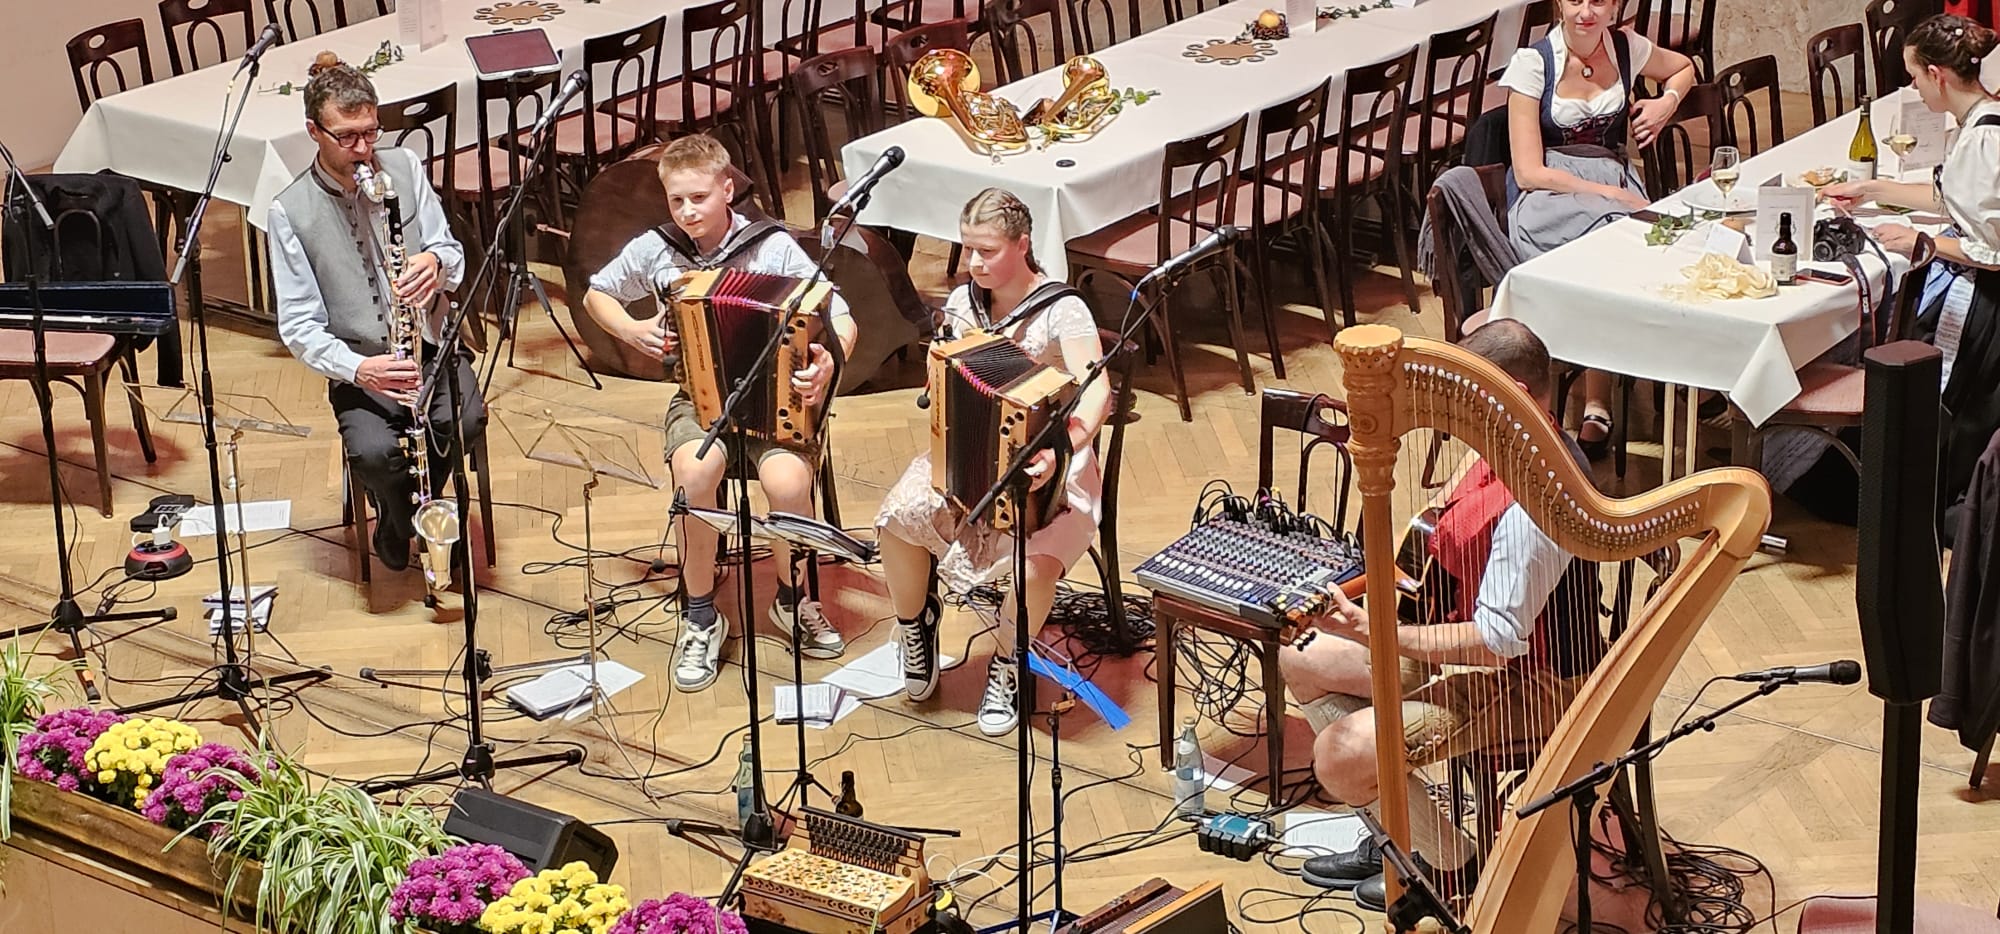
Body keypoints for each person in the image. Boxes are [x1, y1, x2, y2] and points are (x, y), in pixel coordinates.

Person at [1280, 319, 1603, 908]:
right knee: (1300, 657)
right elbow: (1435, 545)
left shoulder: (1539, 500)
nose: (1451, 418)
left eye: (1463, 400)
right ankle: (1400, 829)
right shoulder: (1507, 446)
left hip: (1539, 681)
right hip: (1466, 646)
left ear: (1512, 397)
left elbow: (1496, 642)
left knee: (1340, 756)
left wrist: (1380, 633)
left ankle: (1453, 866)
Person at [579, 134, 857, 692]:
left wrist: (828, 361)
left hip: (778, 397)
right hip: (699, 398)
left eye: (699, 198)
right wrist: (632, 329)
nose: (687, 212)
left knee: (786, 482)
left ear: (727, 189)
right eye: (677, 200)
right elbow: (595, 294)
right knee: (695, 472)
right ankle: (701, 612)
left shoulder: (771, 247)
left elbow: (841, 314)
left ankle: (792, 599)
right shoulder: (657, 249)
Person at [876, 189, 1113, 736]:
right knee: (896, 520)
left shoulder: (1063, 308)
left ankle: (1009, 661)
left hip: (1051, 465)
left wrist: (1062, 447)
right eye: (968, 249)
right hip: (971, 459)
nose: (974, 263)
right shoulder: (965, 303)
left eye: (987, 251)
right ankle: (916, 626)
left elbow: (1097, 391)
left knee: (1032, 568)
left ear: (1023, 244)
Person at [270, 65, 478, 577]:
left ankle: (426, 511)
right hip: (361, 365)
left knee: (465, 422)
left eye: (370, 132)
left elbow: (450, 252)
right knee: (373, 453)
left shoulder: (404, 167)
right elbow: (298, 325)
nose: (363, 149)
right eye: (347, 137)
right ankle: (399, 517)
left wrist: (436, 264)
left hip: (430, 346)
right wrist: (361, 370)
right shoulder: (289, 211)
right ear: (314, 131)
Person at [1824, 14, 2000, 538]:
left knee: (1944, 409)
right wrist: (1872, 190)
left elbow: (1992, 250)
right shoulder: (1980, 122)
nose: (1913, 87)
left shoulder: (1984, 143)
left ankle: (1923, 502)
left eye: (1915, 76)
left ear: (1938, 75)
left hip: (1983, 307)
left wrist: (1921, 244)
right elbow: (1952, 197)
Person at [1500, 0, 1695, 457]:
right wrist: (1609, 194)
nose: (1586, 11)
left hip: (1612, 183)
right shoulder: (1533, 65)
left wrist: (1665, 102)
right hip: (1551, 195)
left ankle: (1681, 368)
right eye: (1575, 0)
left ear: (1615, 6)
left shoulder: (1626, 47)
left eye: (1599, 1)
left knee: (1664, 243)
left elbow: (1684, 68)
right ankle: (1595, 401)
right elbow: (1528, 172)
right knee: (1603, 247)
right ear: (1559, 4)